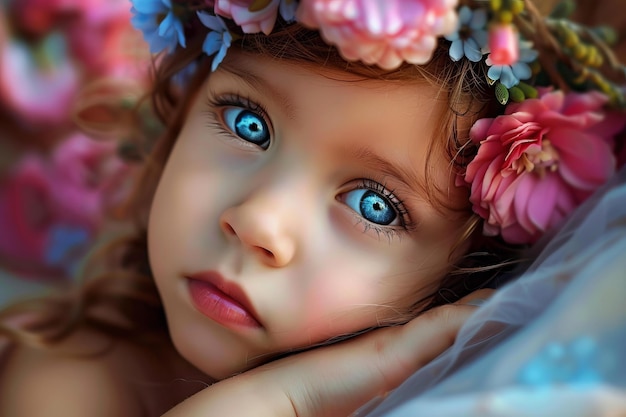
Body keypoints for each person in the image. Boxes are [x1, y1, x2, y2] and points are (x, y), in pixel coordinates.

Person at [1, 0, 624, 416]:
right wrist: (285, 400)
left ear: (462, 274)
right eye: (249, 125)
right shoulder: (73, 373)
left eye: (375, 206)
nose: (257, 222)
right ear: (182, 114)